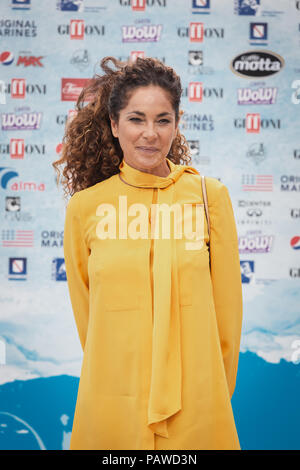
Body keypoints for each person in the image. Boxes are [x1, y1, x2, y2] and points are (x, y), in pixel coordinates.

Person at [53, 56, 243, 451]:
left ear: (177, 124)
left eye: (163, 120)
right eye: (136, 119)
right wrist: (116, 384)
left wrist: (211, 396)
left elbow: (228, 316)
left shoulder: (211, 198)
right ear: (113, 124)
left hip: (198, 405)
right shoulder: (85, 208)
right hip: (113, 404)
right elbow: (88, 320)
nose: (150, 134)